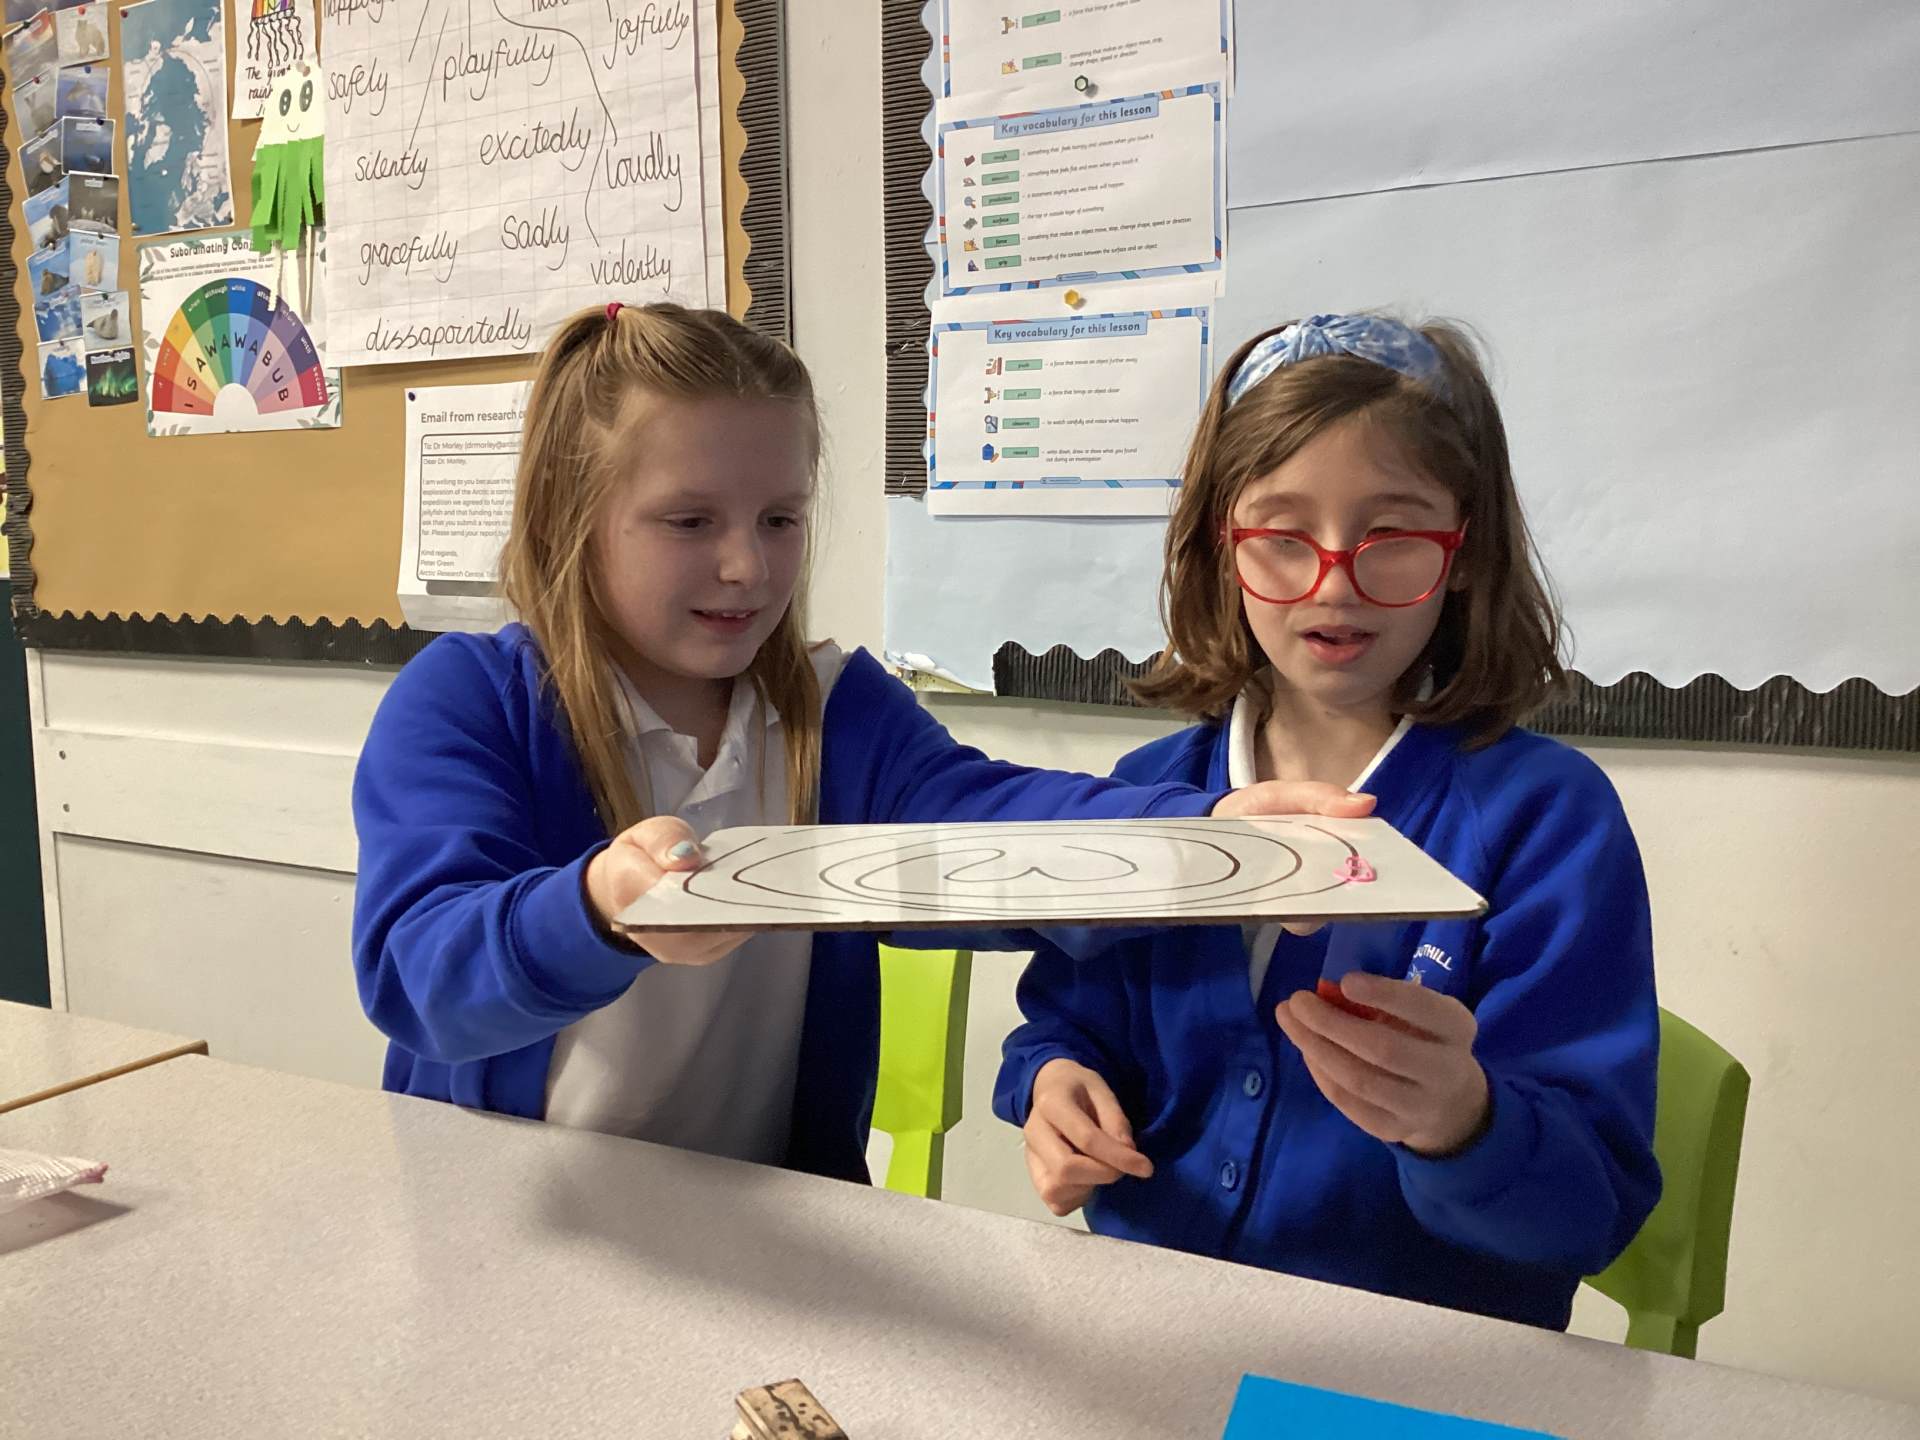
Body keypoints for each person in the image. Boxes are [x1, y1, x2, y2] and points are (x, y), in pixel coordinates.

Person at [352, 302, 1368, 1184]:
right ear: (569, 520)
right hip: (521, 1222)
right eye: (690, 521)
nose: (749, 566)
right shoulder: (472, 702)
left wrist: (1204, 831)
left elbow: (992, 820)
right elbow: (415, 971)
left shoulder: (832, 712)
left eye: (780, 519)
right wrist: (594, 911)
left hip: (760, 1231)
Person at [995, 314, 1661, 1329]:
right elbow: (1064, 1020)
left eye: (1392, 537)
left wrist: (1464, 1123)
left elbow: (1588, 1212)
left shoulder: (1547, 821)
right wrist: (1055, 1082)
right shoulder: (1149, 791)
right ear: (1221, 548)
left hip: (1413, 1369)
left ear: (1465, 552)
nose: (1336, 581)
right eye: (1281, 535)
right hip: (1150, 1329)